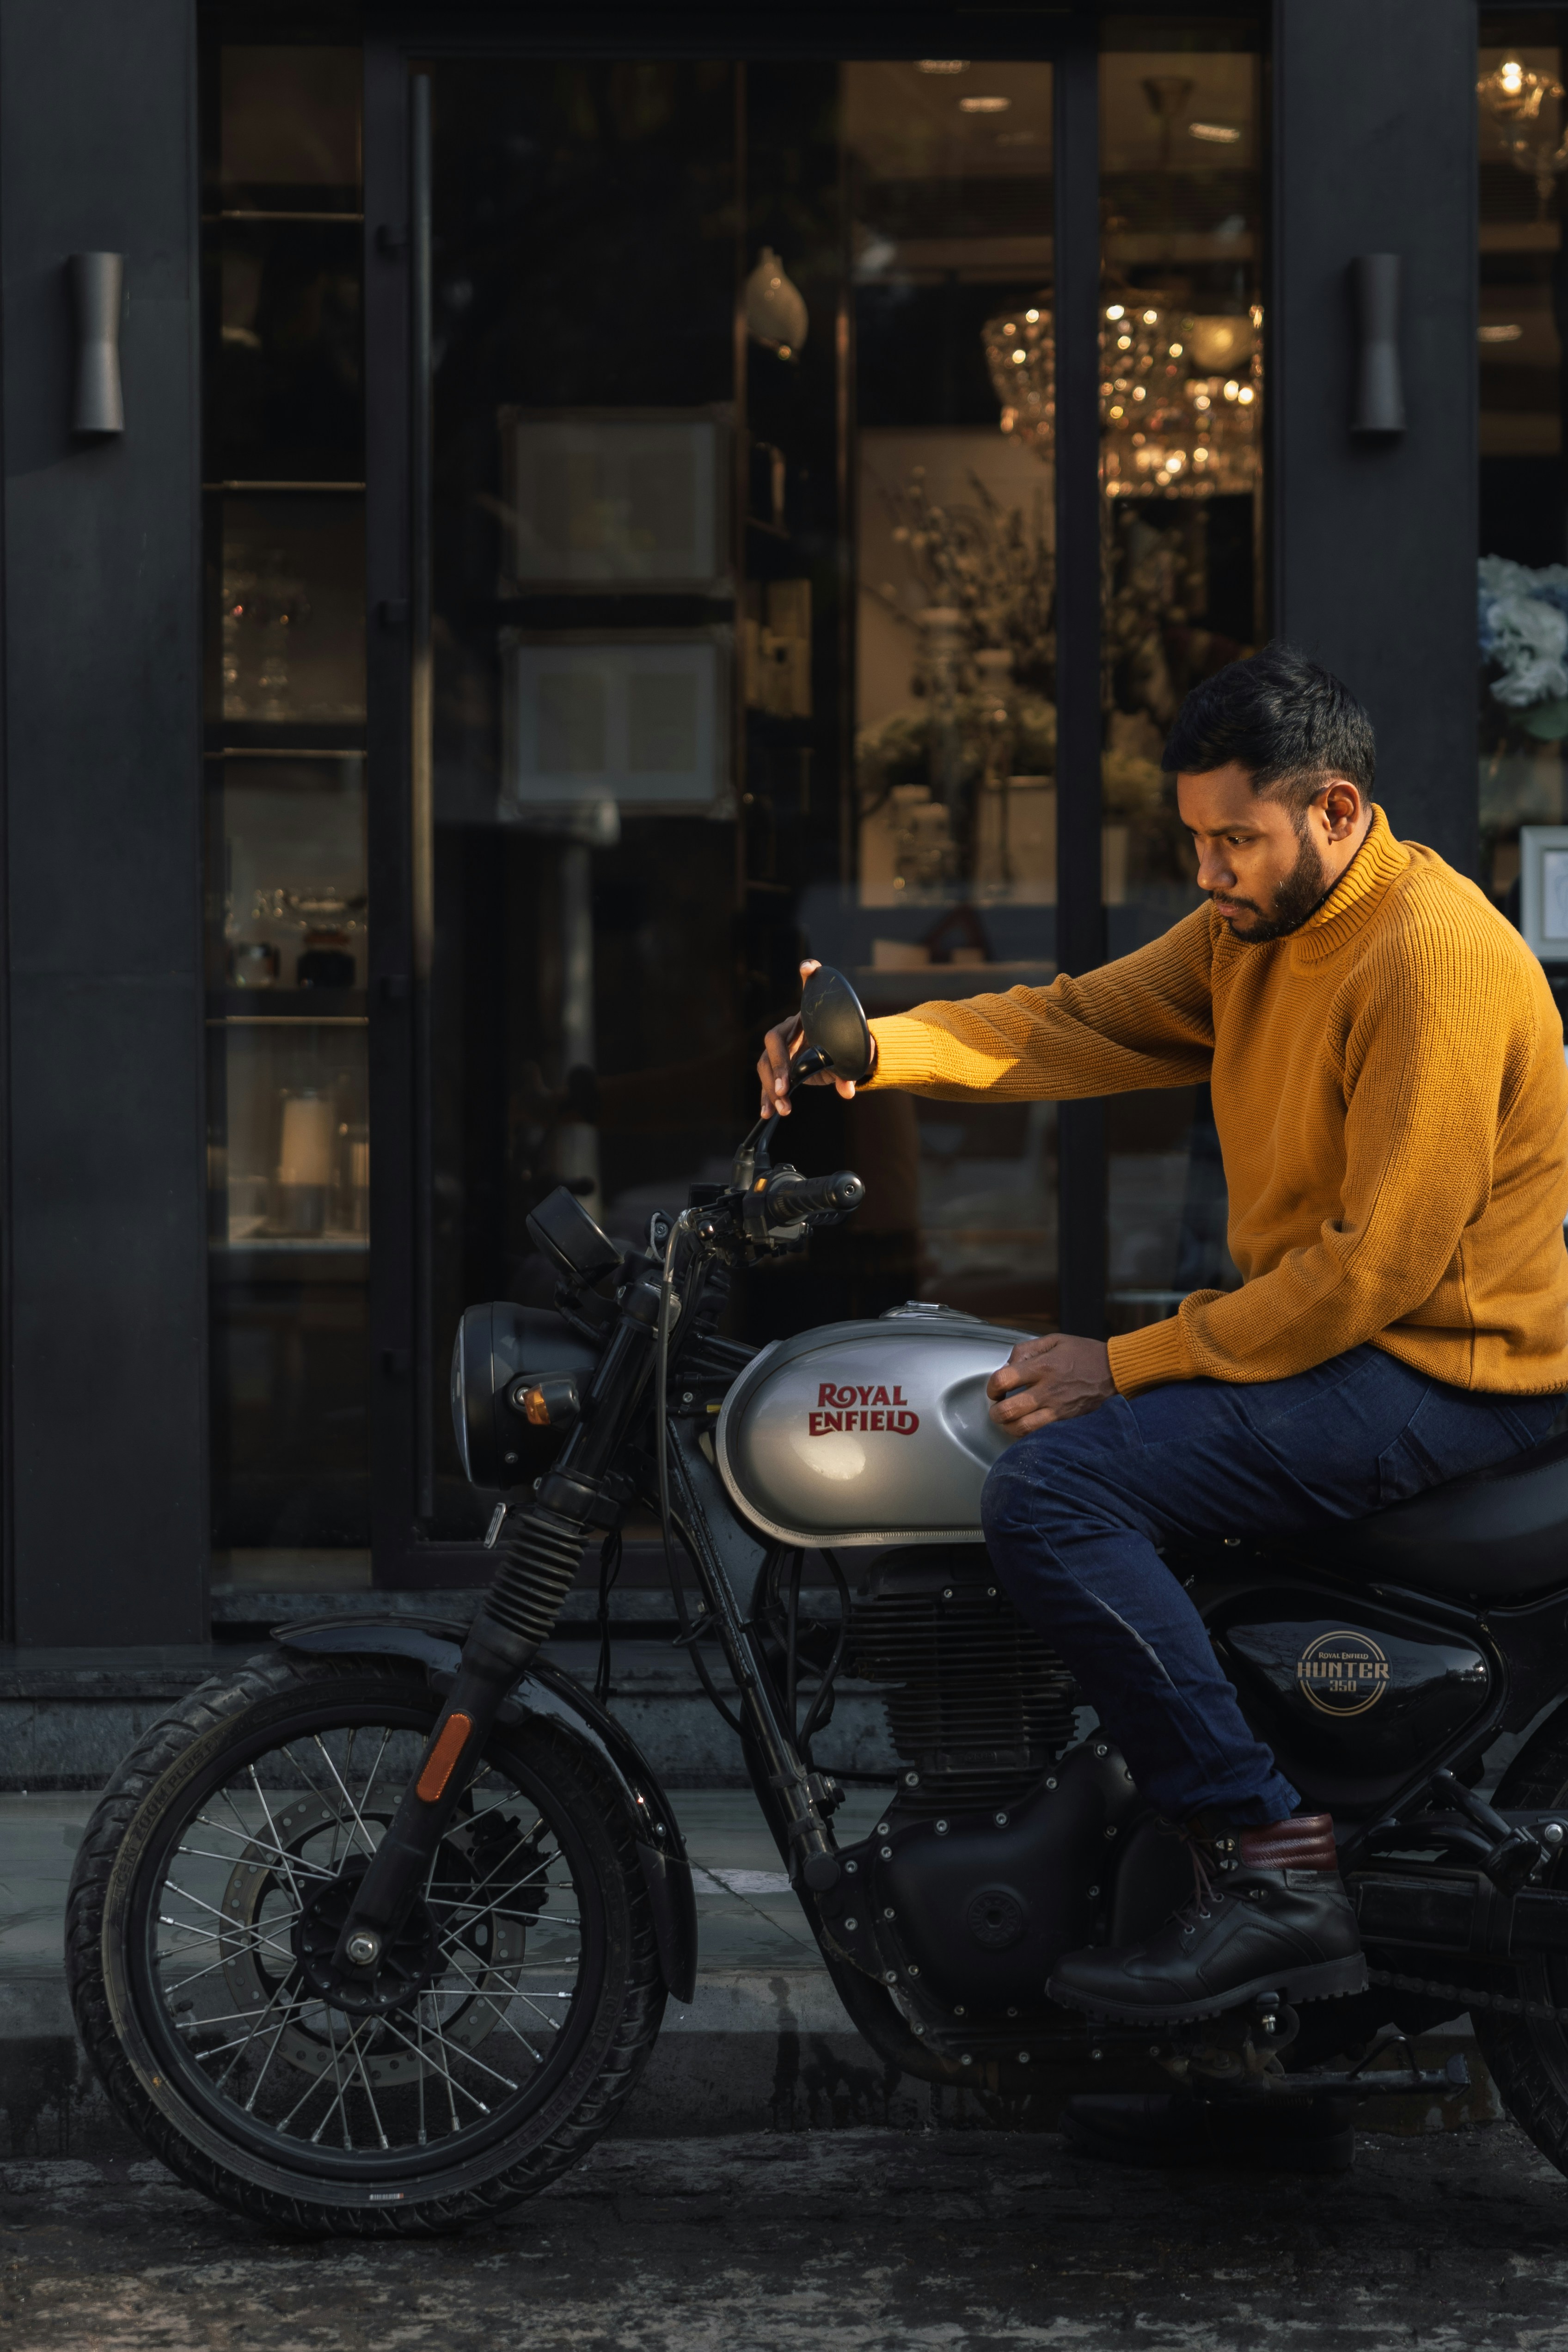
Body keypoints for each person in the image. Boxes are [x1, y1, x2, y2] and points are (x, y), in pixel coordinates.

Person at [758, 646, 1568, 2153]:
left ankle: (1274, 1860)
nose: (1207, 874)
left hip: (1443, 1374)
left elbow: (1369, 1277)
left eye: (1233, 841)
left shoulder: (1427, 957)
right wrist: (881, 1050)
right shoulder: (1257, 929)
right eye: (1192, 841)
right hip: (1351, 1352)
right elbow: (1078, 1023)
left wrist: (1119, 1358)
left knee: (1058, 1487)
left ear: (1335, 811)